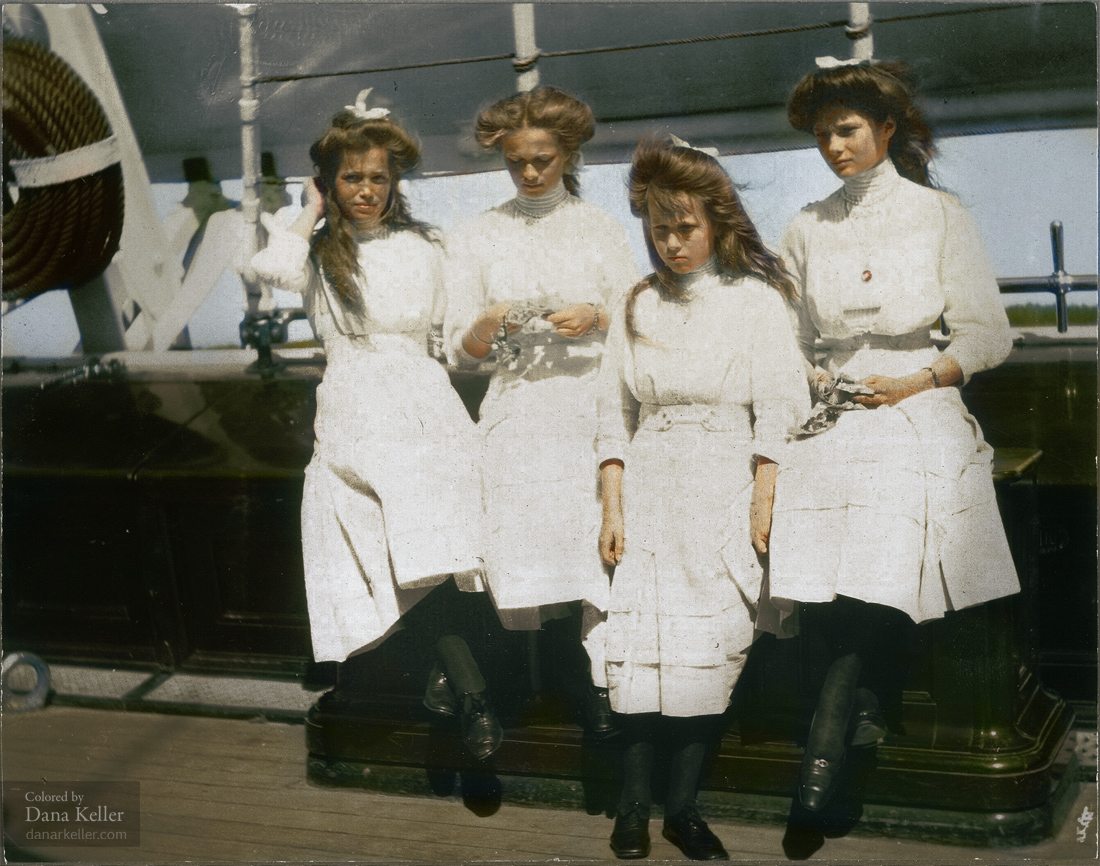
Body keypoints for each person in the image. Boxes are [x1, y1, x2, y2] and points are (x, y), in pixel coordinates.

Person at [768, 59, 1020, 812]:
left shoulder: (940, 216)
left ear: (885, 129)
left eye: (847, 130)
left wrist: (915, 382)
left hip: (916, 396)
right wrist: (816, 379)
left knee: (887, 503)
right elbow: (790, 336)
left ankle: (829, 727)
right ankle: (860, 704)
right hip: (832, 403)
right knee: (800, 501)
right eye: (822, 136)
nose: (834, 147)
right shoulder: (807, 226)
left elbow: (988, 335)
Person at [248, 90, 501, 760]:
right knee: (375, 556)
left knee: (431, 555)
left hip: (422, 408)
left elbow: (454, 343)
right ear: (332, 183)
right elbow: (268, 269)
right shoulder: (316, 253)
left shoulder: (427, 248)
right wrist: (308, 212)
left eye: (378, 178)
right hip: (352, 412)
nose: (366, 190)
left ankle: (465, 690)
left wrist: (493, 331)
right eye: (351, 178)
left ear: (396, 184)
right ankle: (461, 685)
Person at [596, 136, 809, 860]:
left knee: (707, 650)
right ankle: (630, 810)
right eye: (659, 229)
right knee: (638, 648)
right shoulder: (634, 304)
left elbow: (781, 410)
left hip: (721, 487)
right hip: (651, 486)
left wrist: (761, 500)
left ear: (717, 222)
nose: (673, 243)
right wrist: (613, 506)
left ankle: (682, 809)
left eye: (686, 227)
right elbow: (612, 416)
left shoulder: (755, 302)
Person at [443, 86, 640, 733]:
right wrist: (489, 321)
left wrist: (597, 315)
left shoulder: (599, 228)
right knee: (514, 555)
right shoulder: (479, 235)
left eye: (543, 160)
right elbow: (458, 349)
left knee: (587, 549)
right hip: (517, 408)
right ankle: (512, 700)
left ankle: (598, 694)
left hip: (583, 406)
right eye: (516, 161)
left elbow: (638, 319)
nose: (530, 173)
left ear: (569, 154)